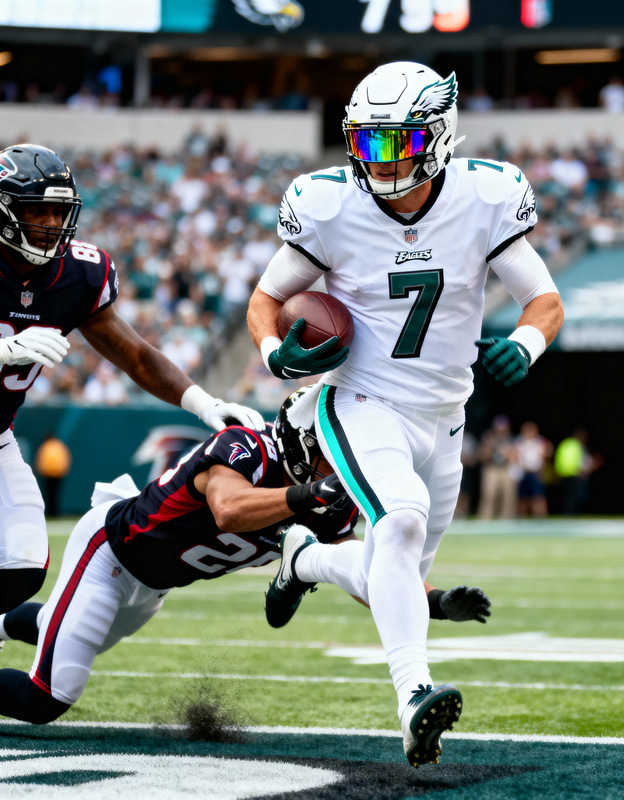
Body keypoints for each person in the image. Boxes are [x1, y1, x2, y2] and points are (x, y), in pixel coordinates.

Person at [247, 61, 563, 766]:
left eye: (394, 143)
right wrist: (274, 354)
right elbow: (264, 302)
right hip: (362, 399)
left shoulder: (486, 195)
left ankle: (306, 561)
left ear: (438, 135)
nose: (377, 161)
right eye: (365, 143)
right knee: (402, 521)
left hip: (446, 418)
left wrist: (526, 342)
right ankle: (413, 694)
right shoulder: (328, 206)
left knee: (396, 574)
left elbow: (544, 301)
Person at [0, 390, 490, 724]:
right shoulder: (247, 448)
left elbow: (370, 573)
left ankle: (2, 622)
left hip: (155, 586)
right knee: (50, 695)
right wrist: (309, 492)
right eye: (332, 450)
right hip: (110, 552)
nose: (343, 461)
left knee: (58, 629)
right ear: (303, 441)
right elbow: (229, 510)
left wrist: (434, 600)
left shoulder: (326, 506)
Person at [0, 143, 264, 616]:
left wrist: (203, 403)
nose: (50, 225)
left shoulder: (77, 273)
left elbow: (137, 356)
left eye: (58, 212)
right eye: (36, 211)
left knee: (20, 566)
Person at [477, 414, 519, 520]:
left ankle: (507, 519)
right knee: (489, 494)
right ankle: (485, 518)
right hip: (492, 468)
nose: (501, 430)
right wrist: (491, 447)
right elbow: (481, 456)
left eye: (503, 428)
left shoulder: (511, 439)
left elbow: (516, 457)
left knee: (508, 494)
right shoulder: (488, 438)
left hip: (506, 468)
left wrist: (507, 452)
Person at [515, 420, 552, 518]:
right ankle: (521, 518)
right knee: (522, 498)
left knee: (538, 497)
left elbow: (549, 452)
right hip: (524, 473)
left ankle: (540, 517)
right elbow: (514, 455)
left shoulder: (540, 441)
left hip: (536, 473)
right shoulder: (520, 441)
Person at [33, 432, 72, 517]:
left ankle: (51, 513)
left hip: (49, 474)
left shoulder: (46, 446)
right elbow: (65, 459)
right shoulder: (59, 446)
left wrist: (40, 470)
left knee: (49, 495)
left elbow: (40, 460)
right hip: (56, 474)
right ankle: (53, 513)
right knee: (54, 495)